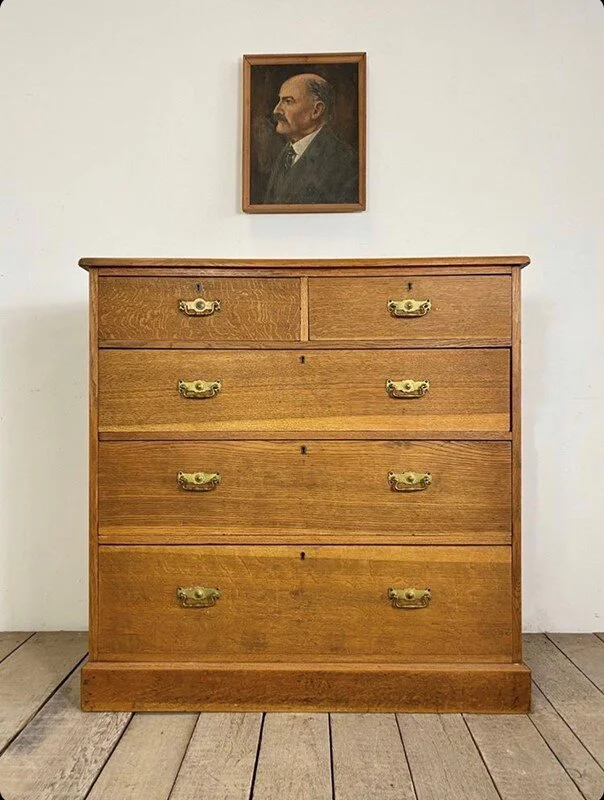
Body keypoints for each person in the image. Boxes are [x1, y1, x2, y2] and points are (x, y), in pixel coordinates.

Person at [263, 73, 358, 205]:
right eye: (279, 100)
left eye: (288, 101)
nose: (276, 110)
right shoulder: (287, 154)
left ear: (316, 110)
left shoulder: (343, 161)